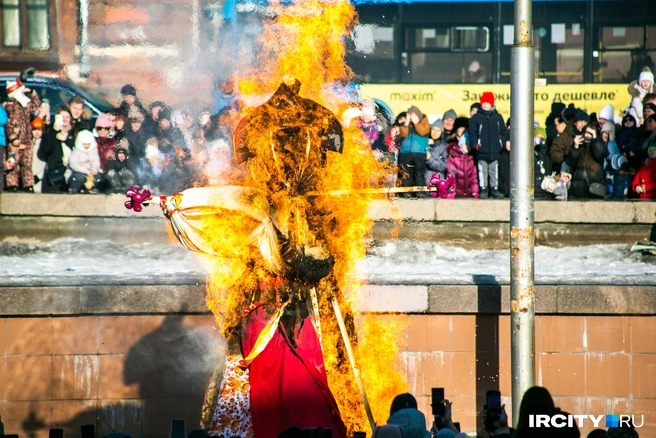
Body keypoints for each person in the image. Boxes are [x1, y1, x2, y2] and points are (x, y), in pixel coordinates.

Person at [3, 78, 41, 192]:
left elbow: (35, 105)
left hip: (27, 139)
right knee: (13, 163)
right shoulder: (11, 105)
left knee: (27, 163)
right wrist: (13, 138)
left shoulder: (25, 104)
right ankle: (12, 184)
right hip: (16, 140)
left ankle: (28, 184)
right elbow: (9, 124)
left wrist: (33, 94)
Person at [469, 92, 506, 198]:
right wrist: (475, 144)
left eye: (487, 102)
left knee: (494, 170)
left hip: (495, 149)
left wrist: (502, 143)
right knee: (482, 170)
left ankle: (494, 188)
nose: (485, 104)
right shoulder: (476, 118)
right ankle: (483, 188)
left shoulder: (498, 117)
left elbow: (502, 131)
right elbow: (473, 133)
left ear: (492, 103)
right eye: (483, 102)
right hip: (481, 149)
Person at [37, 106, 75, 193]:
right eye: (62, 117)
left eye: (67, 117)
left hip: (69, 171)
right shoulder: (50, 130)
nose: (65, 119)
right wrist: (54, 131)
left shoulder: (74, 132)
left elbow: (76, 147)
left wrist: (65, 139)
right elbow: (45, 151)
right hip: (54, 172)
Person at [398, 105, 430, 195]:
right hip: (405, 152)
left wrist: (416, 123)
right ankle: (406, 192)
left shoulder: (424, 122)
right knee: (406, 173)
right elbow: (403, 134)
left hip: (419, 153)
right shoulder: (406, 124)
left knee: (419, 173)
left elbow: (423, 131)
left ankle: (419, 191)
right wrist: (407, 122)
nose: (411, 117)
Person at [447, 134, 479, 198]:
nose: (468, 146)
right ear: (460, 145)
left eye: (469, 145)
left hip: (469, 193)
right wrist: (452, 191)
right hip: (457, 193)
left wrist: (474, 191)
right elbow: (452, 176)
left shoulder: (471, 159)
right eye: (466, 144)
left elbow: (474, 178)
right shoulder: (453, 159)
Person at [425, 119, 448, 184]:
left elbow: (443, 166)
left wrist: (429, 159)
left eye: (438, 130)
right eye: (433, 129)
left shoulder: (444, 147)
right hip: (424, 181)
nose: (435, 132)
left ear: (441, 132)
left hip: (438, 182)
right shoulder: (424, 143)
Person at [534, 127, 554, 199]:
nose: (540, 139)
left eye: (542, 138)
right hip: (536, 188)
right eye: (537, 137)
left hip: (546, 188)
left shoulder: (548, 153)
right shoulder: (532, 152)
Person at [30, 117, 46, 193]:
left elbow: (44, 163)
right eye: (34, 130)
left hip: (39, 177)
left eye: (39, 130)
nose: (37, 132)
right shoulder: (29, 143)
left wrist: (39, 176)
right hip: (29, 175)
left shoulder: (44, 144)